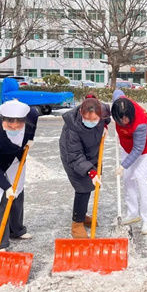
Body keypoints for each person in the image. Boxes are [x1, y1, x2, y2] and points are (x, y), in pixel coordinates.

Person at [0, 99, 38, 251]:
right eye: (9, 123)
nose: (14, 127)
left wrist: (29, 140)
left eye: (18, 123)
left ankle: (16, 230)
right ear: (3, 119)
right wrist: (5, 186)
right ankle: (0, 243)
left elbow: (32, 126)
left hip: (16, 159)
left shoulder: (31, 115)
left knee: (17, 192)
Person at [59, 96, 110, 238]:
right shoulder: (72, 128)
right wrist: (91, 171)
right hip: (73, 155)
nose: (91, 122)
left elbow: (108, 117)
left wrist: (105, 125)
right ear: (81, 113)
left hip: (92, 150)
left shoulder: (103, 111)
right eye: (88, 119)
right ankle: (77, 223)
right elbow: (75, 155)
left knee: (90, 185)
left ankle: (82, 214)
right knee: (82, 186)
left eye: (95, 120)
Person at [112, 90, 147, 235]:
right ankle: (133, 213)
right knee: (127, 178)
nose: (124, 122)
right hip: (127, 146)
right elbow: (117, 93)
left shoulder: (140, 123)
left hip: (145, 149)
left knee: (140, 178)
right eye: (121, 119)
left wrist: (123, 165)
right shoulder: (118, 106)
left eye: (127, 119)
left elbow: (138, 149)